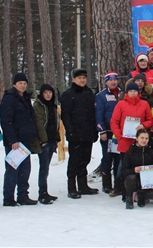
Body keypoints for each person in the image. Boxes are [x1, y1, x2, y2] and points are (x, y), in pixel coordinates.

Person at [0, 73, 39, 206]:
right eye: (20, 83)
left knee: (25, 169)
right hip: (14, 142)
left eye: (24, 83)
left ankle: (23, 195)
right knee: (12, 169)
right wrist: (12, 140)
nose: (22, 85)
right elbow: (6, 121)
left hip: (26, 140)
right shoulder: (9, 99)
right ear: (14, 84)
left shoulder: (26, 98)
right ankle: (8, 197)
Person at [60, 68, 99, 199]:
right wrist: (70, 131)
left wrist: (94, 130)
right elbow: (66, 115)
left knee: (85, 159)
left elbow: (93, 114)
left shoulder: (89, 93)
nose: (82, 80)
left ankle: (83, 185)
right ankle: (72, 187)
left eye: (84, 78)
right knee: (74, 161)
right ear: (73, 79)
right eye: (79, 78)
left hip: (88, 132)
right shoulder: (68, 95)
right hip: (75, 133)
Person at [33, 84, 60, 204]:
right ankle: (42, 193)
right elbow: (39, 124)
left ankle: (45, 191)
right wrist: (43, 140)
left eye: (50, 92)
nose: (48, 94)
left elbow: (56, 124)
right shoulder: (38, 106)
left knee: (46, 167)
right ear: (41, 94)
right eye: (46, 92)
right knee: (43, 168)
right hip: (44, 141)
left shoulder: (53, 106)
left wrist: (56, 139)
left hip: (52, 140)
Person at [95, 72, 122, 194]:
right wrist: (102, 131)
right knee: (107, 158)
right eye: (110, 80)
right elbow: (98, 113)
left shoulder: (122, 93)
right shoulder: (101, 95)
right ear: (106, 82)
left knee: (118, 158)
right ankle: (106, 184)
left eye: (115, 80)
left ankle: (117, 183)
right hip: (108, 132)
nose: (113, 82)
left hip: (119, 133)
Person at [121, 129, 153, 209]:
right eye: (142, 138)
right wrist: (133, 170)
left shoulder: (151, 152)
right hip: (134, 180)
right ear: (137, 138)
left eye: (146, 138)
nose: (144, 140)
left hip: (146, 181)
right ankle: (129, 198)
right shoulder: (130, 152)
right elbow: (123, 170)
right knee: (131, 178)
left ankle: (142, 195)